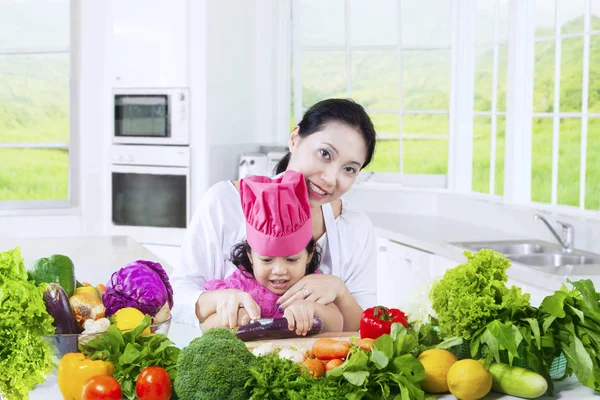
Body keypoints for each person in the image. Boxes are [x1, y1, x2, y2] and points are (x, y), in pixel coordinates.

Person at [171, 98, 378, 331]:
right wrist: (218, 300)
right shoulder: (224, 201)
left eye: (349, 169)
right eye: (324, 154)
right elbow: (177, 296)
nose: (330, 178)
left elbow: (365, 331)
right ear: (294, 139)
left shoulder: (355, 227)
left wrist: (340, 292)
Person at [197, 170, 343, 335]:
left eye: (292, 260)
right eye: (267, 260)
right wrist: (233, 318)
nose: (279, 270)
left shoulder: (310, 285)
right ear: (251, 256)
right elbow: (206, 327)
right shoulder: (238, 286)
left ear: (309, 255)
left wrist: (311, 309)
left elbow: (337, 323)